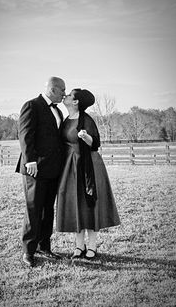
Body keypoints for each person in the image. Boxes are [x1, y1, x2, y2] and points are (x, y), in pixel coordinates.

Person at [56, 88, 120, 259]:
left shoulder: (87, 119)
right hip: (70, 167)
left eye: (69, 95)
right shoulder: (66, 119)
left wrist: (85, 137)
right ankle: (79, 246)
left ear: (76, 102)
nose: (66, 96)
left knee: (89, 204)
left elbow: (95, 143)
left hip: (88, 165)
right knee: (76, 204)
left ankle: (91, 246)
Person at [15, 76, 66, 267]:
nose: (64, 93)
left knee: (47, 211)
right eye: (62, 90)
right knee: (33, 209)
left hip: (53, 169)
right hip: (34, 168)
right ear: (53, 89)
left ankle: (44, 247)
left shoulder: (58, 111)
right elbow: (25, 135)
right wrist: (30, 161)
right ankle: (28, 251)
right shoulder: (31, 105)